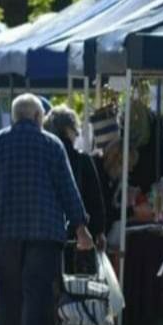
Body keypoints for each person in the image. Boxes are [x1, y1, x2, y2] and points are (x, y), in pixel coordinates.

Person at [0, 94, 93, 325]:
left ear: (14, 117)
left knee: (6, 291)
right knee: (37, 293)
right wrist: (80, 227)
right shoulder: (52, 145)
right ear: (39, 117)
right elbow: (68, 189)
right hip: (44, 232)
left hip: (5, 232)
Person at [45, 105, 108, 254]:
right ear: (68, 129)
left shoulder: (43, 157)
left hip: (46, 230)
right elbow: (94, 197)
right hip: (78, 232)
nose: (77, 133)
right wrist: (99, 230)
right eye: (75, 129)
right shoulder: (81, 159)